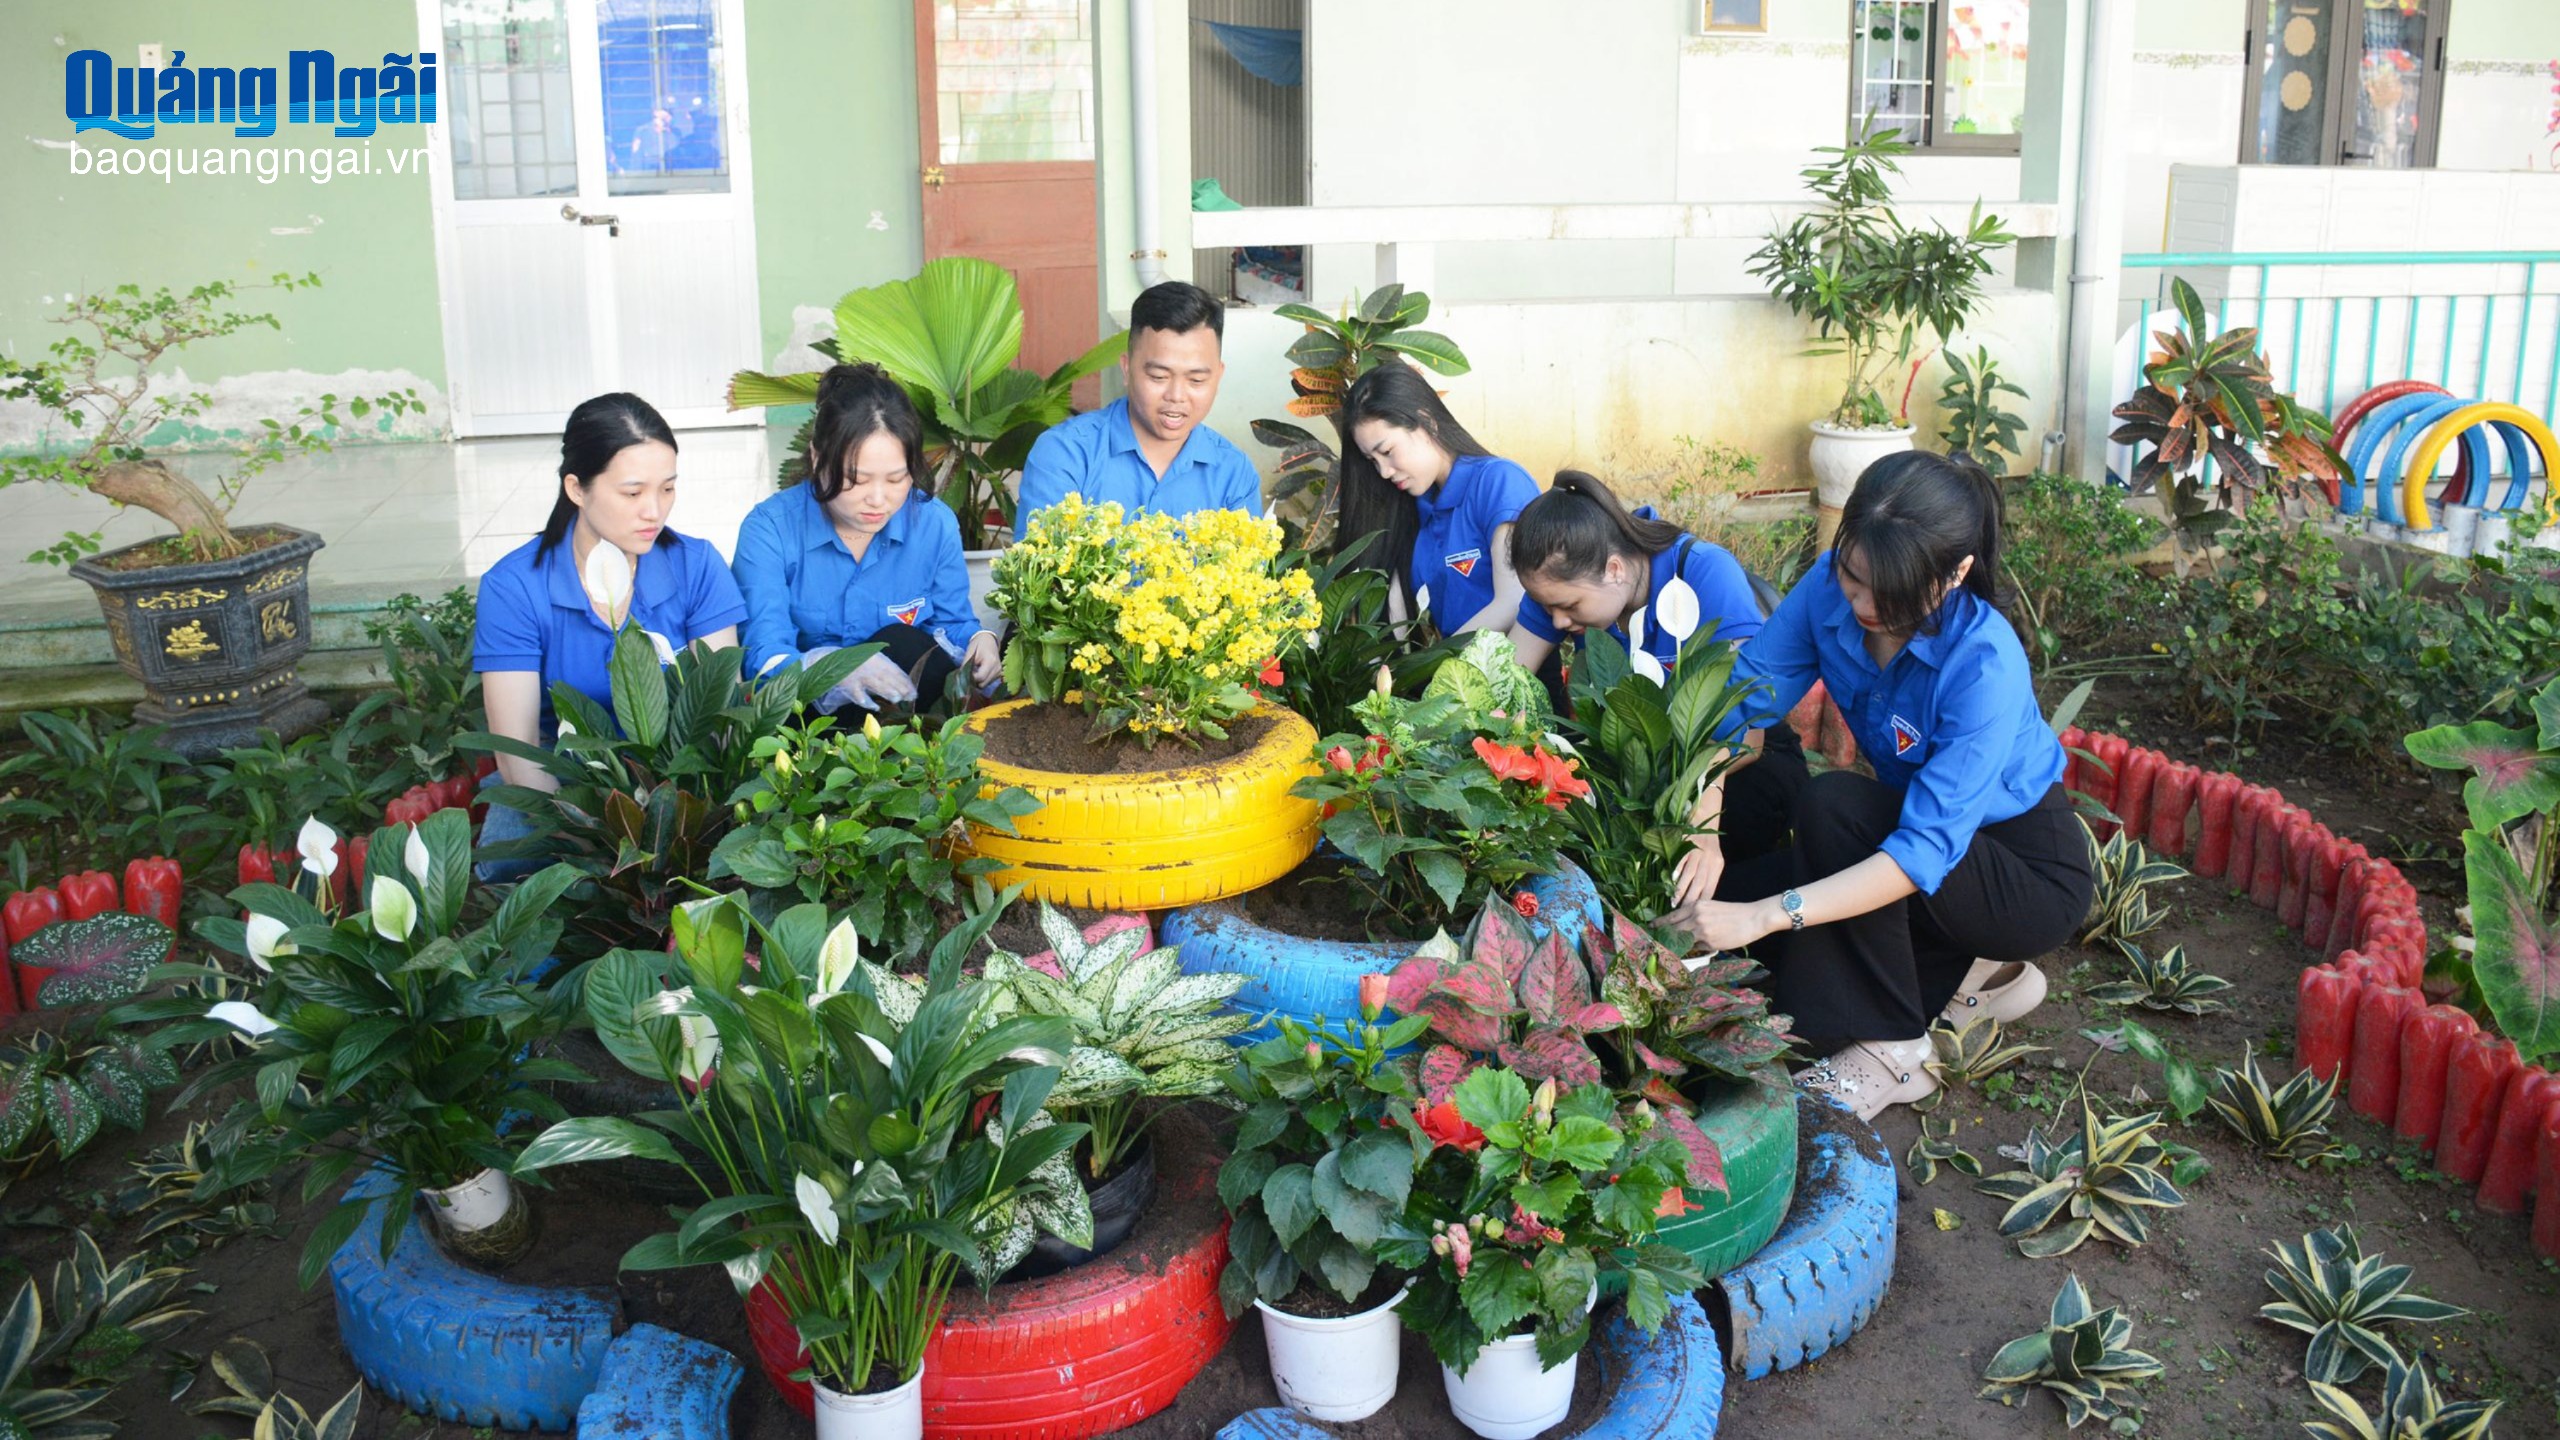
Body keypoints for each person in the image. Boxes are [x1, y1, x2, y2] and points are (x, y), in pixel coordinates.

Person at [1656, 451, 2094, 1121]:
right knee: (1707, 917)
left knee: (1825, 817)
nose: (1859, 603)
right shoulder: (1828, 594)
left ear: (1955, 573)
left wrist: (1766, 914)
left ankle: (1895, 1048)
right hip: (1916, 841)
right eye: (1850, 574)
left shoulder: (1984, 662)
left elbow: (1920, 853)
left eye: (1885, 591)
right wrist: (1706, 811)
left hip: (2018, 872)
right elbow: (1743, 705)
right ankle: (1968, 977)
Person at [472, 393, 748, 873]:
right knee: (519, 876)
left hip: (678, 779)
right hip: (568, 783)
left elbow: (721, 715)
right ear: (577, 489)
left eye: (667, 489)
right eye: (632, 492)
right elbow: (518, 755)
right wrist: (590, 849)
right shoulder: (514, 587)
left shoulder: (697, 566)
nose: (654, 512)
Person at [1506, 468, 1804, 854]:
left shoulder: (1703, 570)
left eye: (1567, 606)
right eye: (1548, 608)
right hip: (1636, 771)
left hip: (1729, 765)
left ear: (1614, 569)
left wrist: (1661, 790)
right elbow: (1507, 676)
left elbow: (1748, 735)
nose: (1558, 622)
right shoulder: (1557, 583)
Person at [731, 362, 998, 713]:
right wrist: (835, 668)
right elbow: (763, 658)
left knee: (902, 643)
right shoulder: (770, 530)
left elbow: (952, 624)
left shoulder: (933, 524)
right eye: (855, 479)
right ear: (817, 456)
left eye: (895, 479)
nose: (877, 499)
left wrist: (981, 640)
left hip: (906, 715)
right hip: (808, 718)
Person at [1013, 280, 1262, 539]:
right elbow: (1040, 571)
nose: (1176, 396)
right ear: (1126, 368)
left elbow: (1247, 575)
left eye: (1196, 380)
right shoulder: (1065, 455)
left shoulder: (1234, 473)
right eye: (1158, 376)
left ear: (1218, 377)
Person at [1330, 362, 1535, 635]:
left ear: (1427, 421)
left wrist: (1440, 667)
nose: (1384, 471)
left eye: (1388, 451)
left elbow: (1513, 603)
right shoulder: (1414, 505)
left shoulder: (1499, 483)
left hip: (1517, 672)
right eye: (1372, 461)